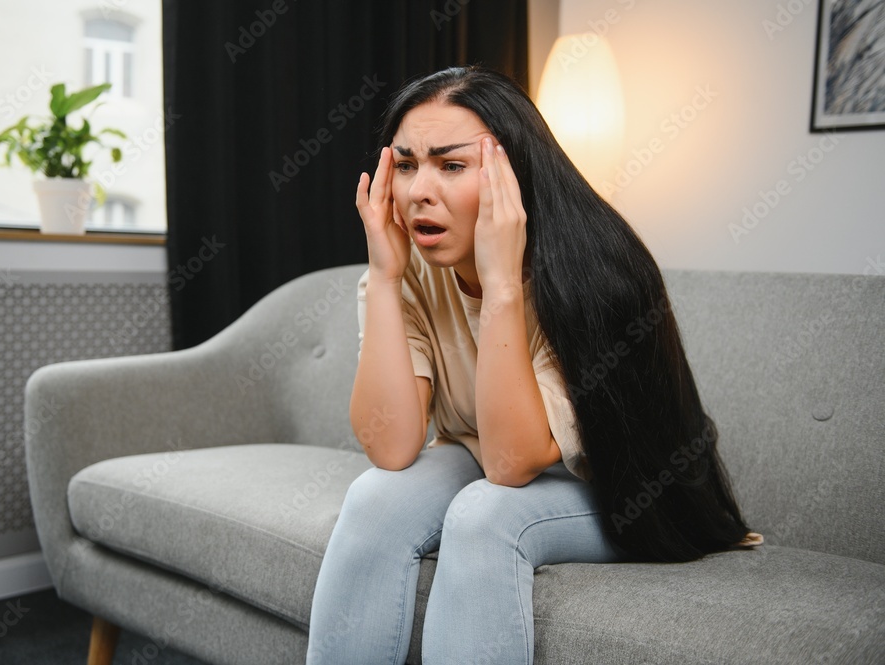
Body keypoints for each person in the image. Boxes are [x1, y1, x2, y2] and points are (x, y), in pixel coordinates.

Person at [306, 66, 759, 665]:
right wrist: (386, 279)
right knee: (373, 497)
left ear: (513, 174)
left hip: (623, 487)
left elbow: (511, 464)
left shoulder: (596, 275)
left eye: (452, 165)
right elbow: (390, 448)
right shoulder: (406, 269)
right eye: (407, 164)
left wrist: (500, 285)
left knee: (485, 514)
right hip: (485, 451)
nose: (418, 190)